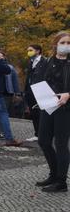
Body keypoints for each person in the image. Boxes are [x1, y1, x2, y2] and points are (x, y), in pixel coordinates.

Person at [36, 32, 70, 193]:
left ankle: (61, 181)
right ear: (56, 44)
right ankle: (54, 173)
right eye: (63, 42)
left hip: (65, 108)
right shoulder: (48, 61)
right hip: (48, 105)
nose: (66, 45)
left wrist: (68, 94)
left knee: (61, 144)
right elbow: (41, 80)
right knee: (43, 140)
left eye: (69, 42)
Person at [24, 44, 47, 142]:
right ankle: (37, 134)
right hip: (30, 91)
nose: (29, 52)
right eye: (28, 50)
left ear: (38, 51)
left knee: (42, 113)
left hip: (41, 90)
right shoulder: (30, 62)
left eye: (31, 50)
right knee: (34, 113)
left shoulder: (45, 61)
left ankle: (45, 134)